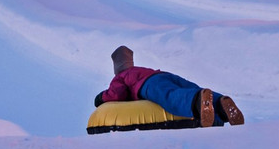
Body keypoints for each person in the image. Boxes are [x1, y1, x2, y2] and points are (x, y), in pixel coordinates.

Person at [94, 46, 244, 128]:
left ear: (117, 66)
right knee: (191, 88)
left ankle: (197, 101)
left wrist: (101, 97)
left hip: (149, 84)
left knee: (170, 96)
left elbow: (117, 94)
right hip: (164, 75)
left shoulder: (120, 77)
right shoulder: (138, 69)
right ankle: (221, 104)